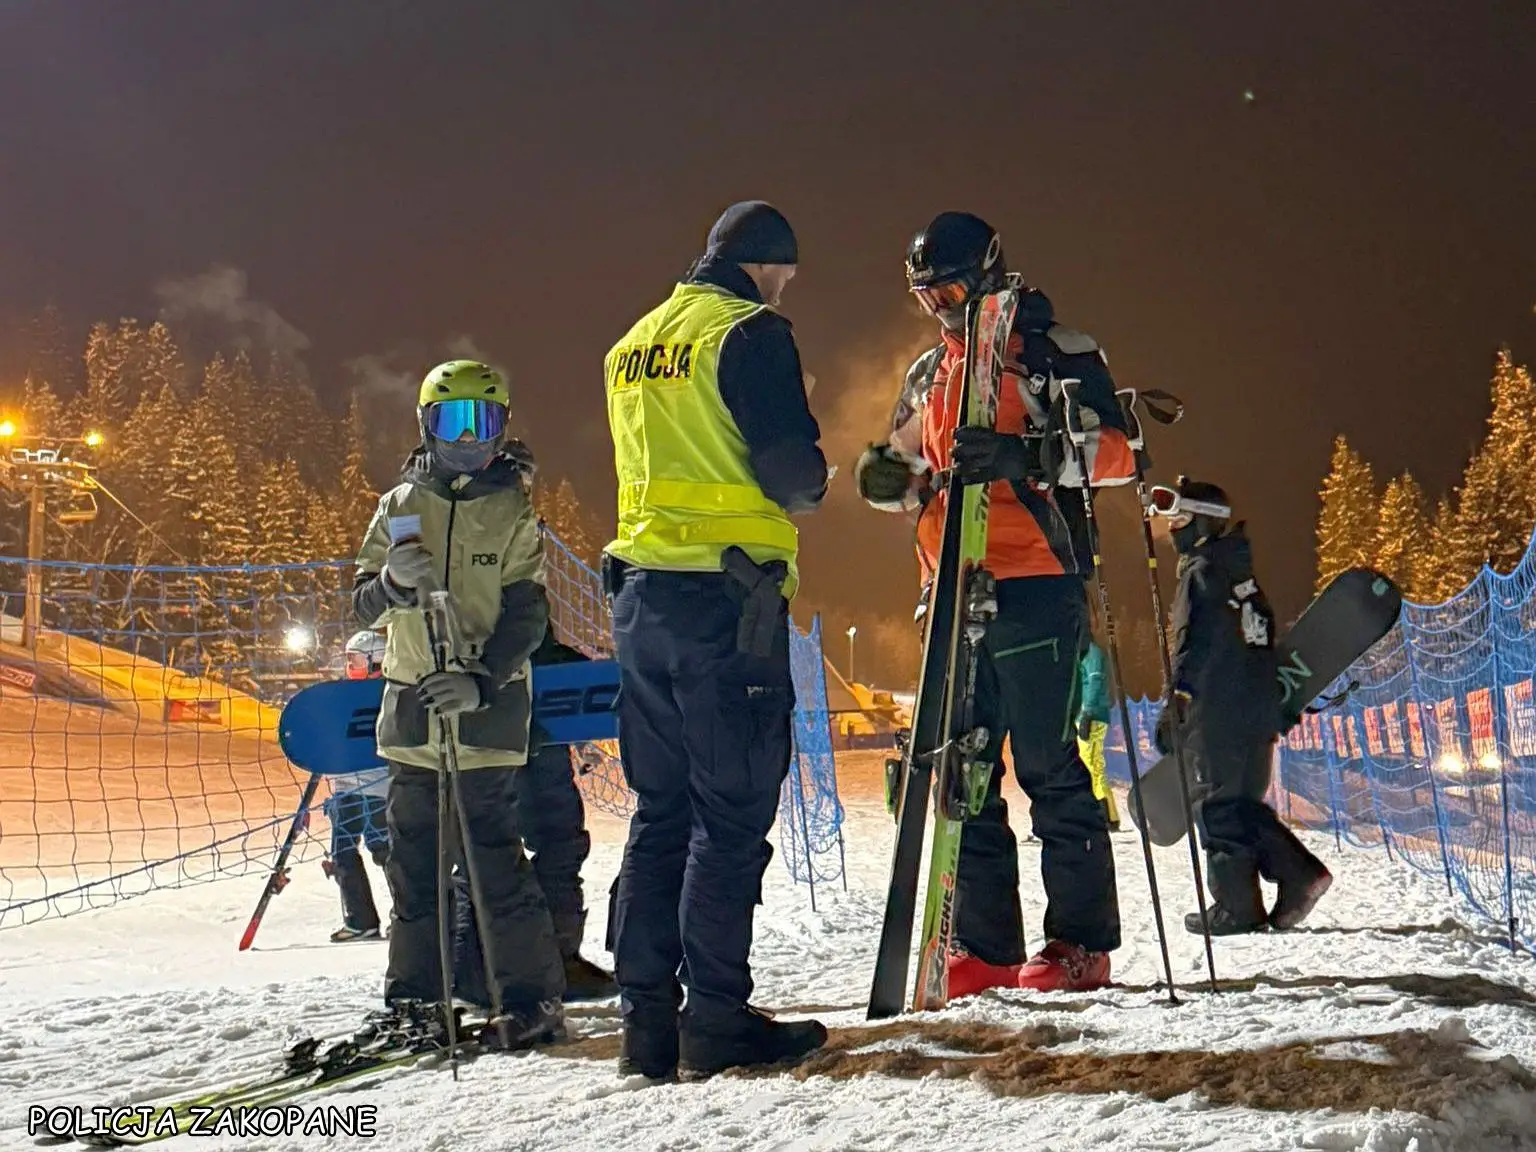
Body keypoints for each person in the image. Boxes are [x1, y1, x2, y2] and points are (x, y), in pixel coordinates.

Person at [853, 211, 1133, 996]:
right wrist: (886, 480)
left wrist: (1029, 454)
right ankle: (985, 947)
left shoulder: (1056, 353)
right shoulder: (927, 373)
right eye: (923, 296)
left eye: (946, 289)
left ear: (985, 273)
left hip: (1036, 576)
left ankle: (1081, 943)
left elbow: (1118, 455)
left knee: (1046, 764)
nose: (938, 307)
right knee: (964, 768)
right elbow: (909, 466)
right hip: (949, 585)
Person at [603, 200, 830, 1080]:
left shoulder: (634, 342)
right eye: (787, 278)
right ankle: (720, 1024)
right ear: (771, 268)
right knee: (730, 818)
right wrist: (814, 469)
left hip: (640, 601)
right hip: (726, 605)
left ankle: (646, 1027)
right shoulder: (751, 332)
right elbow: (790, 475)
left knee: (663, 813)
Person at [351, 358, 565, 1048]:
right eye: (454, 421)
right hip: (414, 713)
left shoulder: (509, 511)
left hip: (485, 713)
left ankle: (528, 998)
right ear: (426, 425)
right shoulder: (398, 505)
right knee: (414, 866)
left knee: (492, 862)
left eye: (486, 422)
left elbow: (527, 614)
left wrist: (482, 679)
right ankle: (416, 997)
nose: (470, 438)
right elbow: (359, 600)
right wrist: (387, 582)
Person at [1153, 476, 1333, 935]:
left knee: (1217, 808)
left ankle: (1237, 908)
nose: (1174, 529)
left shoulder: (1202, 572)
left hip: (1219, 709)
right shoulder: (1241, 576)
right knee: (1238, 804)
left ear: (1203, 523)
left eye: (1181, 519)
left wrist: (1178, 698)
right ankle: (1298, 876)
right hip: (1256, 708)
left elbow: (1196, 643)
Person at [452, 623, 618, 1004]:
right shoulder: (512, 584)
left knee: (484, 852)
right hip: (522, 744)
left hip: (494, 742)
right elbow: (537, 646)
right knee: (547, 847)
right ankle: (549, 962)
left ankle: (475, 968)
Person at [323, 630, 392, 942]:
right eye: (349, 659)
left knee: (385, 849)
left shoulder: (389, 692)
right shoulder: (343, 695)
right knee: (342, 851)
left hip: (379, 785)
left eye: (356, 659)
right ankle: (359, 919)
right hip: (346, 784)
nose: (350, 665)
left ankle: (406, 913)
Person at [1075, 631, 1121, 832]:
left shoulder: (1093, 653)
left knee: (1091, 763)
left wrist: (1087, 713)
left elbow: (1095, 682)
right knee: (1092, 763)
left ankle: (1105, 814)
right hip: (1089, 715)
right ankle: (1107, 813)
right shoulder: (1086, 653)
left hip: (1092, 716)